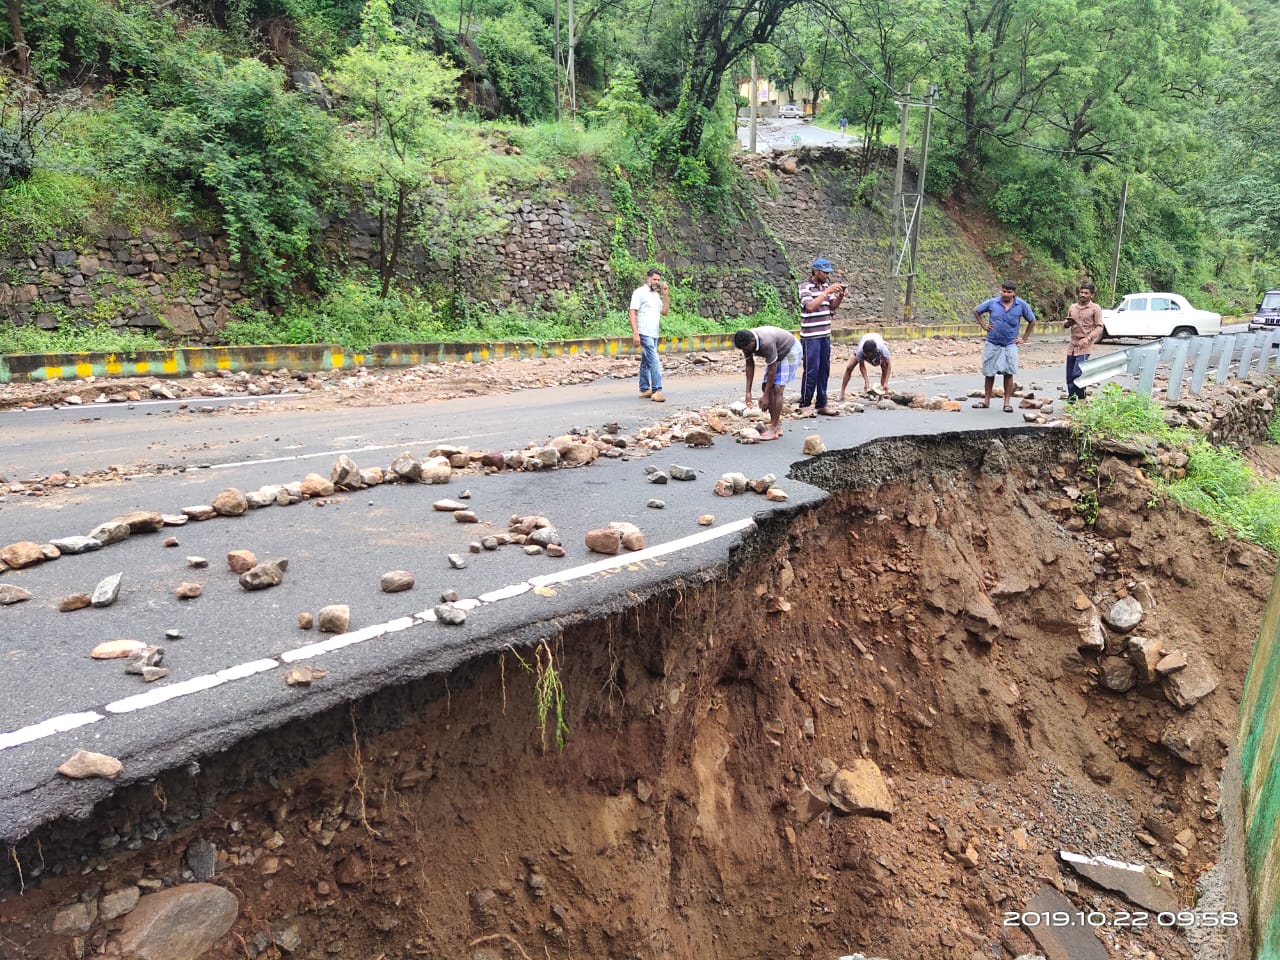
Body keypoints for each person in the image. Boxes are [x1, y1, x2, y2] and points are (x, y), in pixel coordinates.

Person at [972, 280, 1036, 412]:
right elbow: (976, 311)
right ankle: (986, 401)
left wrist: (1024, 338)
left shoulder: (1021, 305)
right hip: (992, 342)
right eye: (1004, 291)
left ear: (1014, 293)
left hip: (1010, 344)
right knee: (989, 372)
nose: (1006, 294)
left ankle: (1007, 403)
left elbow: (1032, 320)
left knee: (1009, 372)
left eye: (1009, 292)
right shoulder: (992, 303)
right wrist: (984, 326)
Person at [733, 326, 801, 441]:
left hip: (790, 350)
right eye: (743, 349)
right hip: (777, 353)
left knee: (777, 388)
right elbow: (749, 365)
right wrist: (748, 392)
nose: (745, 351)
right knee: (765, 386)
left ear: (752, 341)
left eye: (746, 348)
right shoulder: (746, 344)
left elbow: (772, 369)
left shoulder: (766, 342)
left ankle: (774, 428)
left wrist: (766, 396)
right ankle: (776, 424)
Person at [797, 257, 844, 416]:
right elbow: (810, 306)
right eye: (825, 273)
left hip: (824, 335)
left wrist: (840, 296)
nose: (827, 276)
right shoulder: (805, 287)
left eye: (828, 273)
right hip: (810, 337)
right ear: (816, 271)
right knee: (811, 370)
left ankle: (822, 404)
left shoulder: (824, 287)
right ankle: (805, 403)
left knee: (824, 370)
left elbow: (832, 306)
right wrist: (827, 292)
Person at [628, 268, 670, 402]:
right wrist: (635, 333)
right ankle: (657, 390)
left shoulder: (656, 295)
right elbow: (632, 312)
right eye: (654, 279)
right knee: (654, 360)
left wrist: (665, 295)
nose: (656, 282)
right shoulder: (639, 292)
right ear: (648, 278)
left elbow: (664, 312)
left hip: (654, 333)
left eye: (658, 280)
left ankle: (644, 389)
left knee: (646, 361)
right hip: (644, 332)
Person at [1063, 281, 1104, 401]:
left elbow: (1099, 327)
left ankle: (1081, 397)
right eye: (1081, 292)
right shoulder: (1073, 307)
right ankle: (1071, 399)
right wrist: (1067, 323)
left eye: (1086, 293)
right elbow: (1065, 323)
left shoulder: (1095, 308)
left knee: (1078, 373)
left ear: (1092, 295)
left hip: (1085, 345)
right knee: (1069, 375)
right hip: (1072, 345)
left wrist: (1089, 338)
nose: (1083, 295)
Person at [840, 332, 892, 399]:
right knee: (849, 367)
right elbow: (862, 366)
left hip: (876, 342)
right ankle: (842, 392)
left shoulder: (882, 349)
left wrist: (886, 382)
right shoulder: (860, 351)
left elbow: (889, 365)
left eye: (870, 355)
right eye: (867, 354)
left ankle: (881, 393)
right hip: (865, 339)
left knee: (884, 366)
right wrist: (866, 381)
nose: (868, 356)